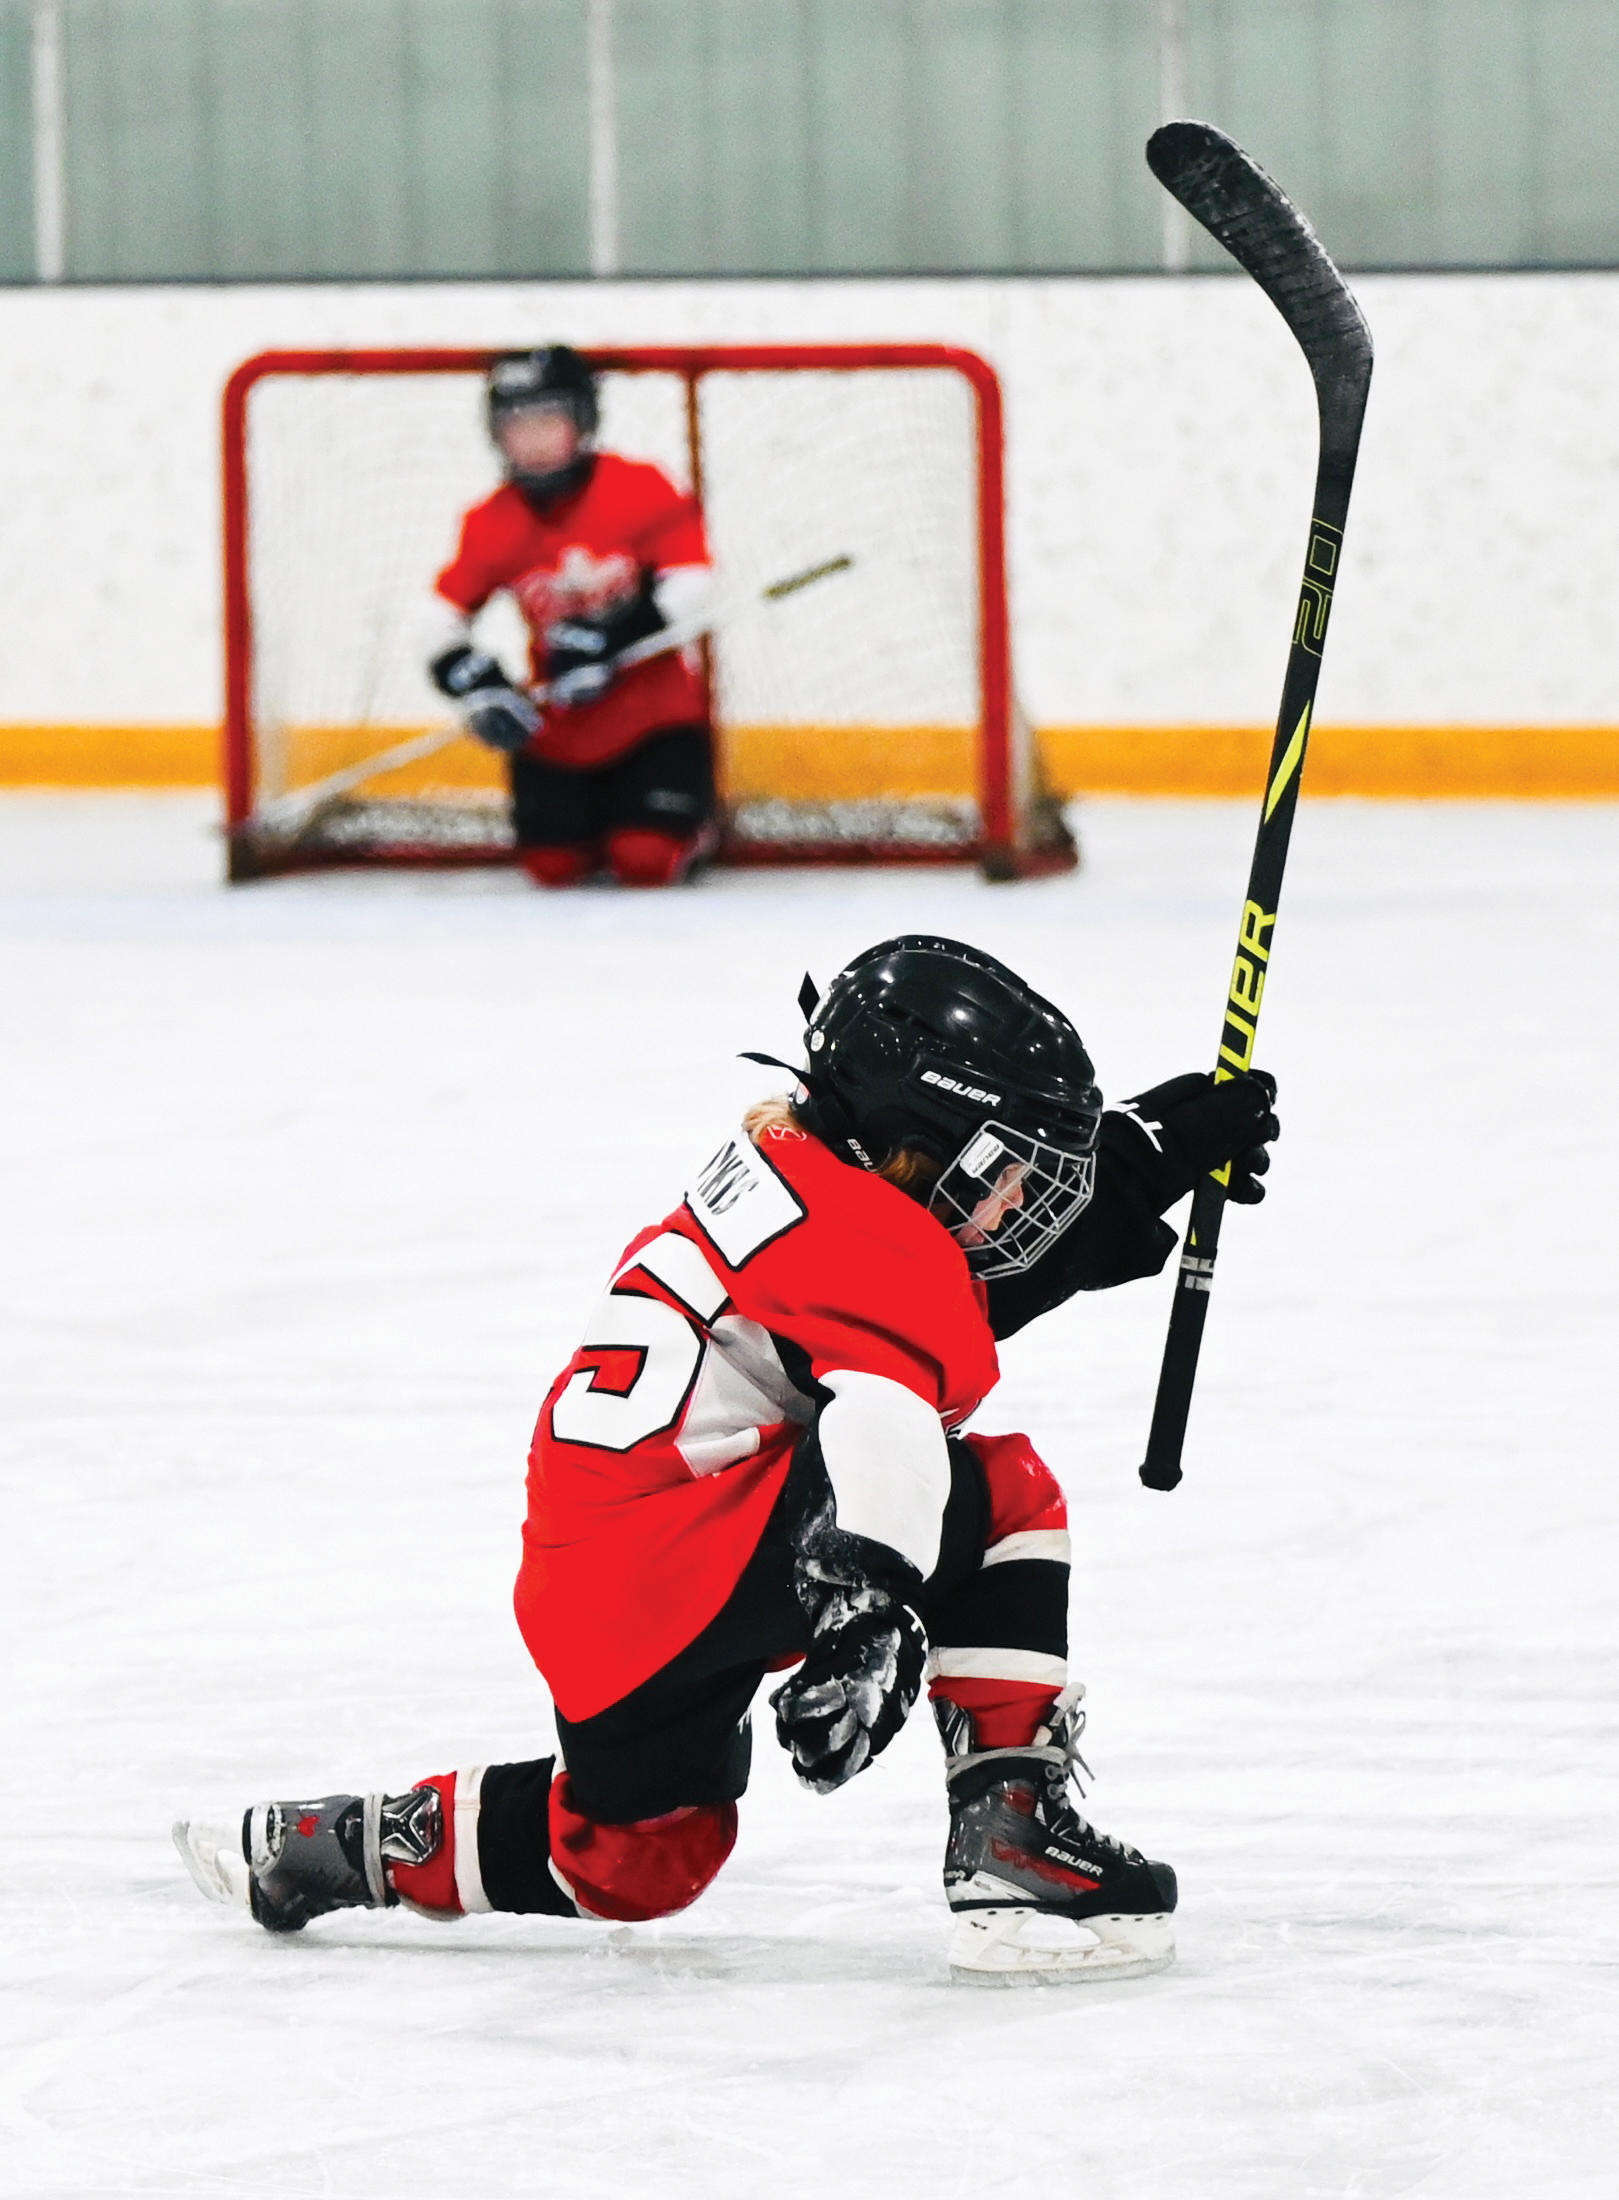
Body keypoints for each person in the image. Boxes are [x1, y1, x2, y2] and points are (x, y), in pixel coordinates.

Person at [175, 936, 1280, 1985]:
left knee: (641, 1853)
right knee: (999, 1493)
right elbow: (888, 1416)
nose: (1012, 1202)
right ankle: (1012, 1841)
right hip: (684, 1547)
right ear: (914, 1138)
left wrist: (1141, 1157)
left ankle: (342, 1841)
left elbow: (925, 1297)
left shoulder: (793, 1171)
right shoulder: (874, 1232)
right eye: (999, 1168)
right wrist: (871, 1603)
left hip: (601, 1577)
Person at [424, 345, 717, 889]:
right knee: (552, 869)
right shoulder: (491, 521)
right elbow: (439, 618)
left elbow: (696, 585)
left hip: (654, 725)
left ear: (582, 421)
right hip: (558, 733)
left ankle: (687, 821)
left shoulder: (640, 487)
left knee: (645, 860)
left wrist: (615, 634)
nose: (531, 439)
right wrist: (471, 678)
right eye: (516, 424)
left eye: (547, 420)